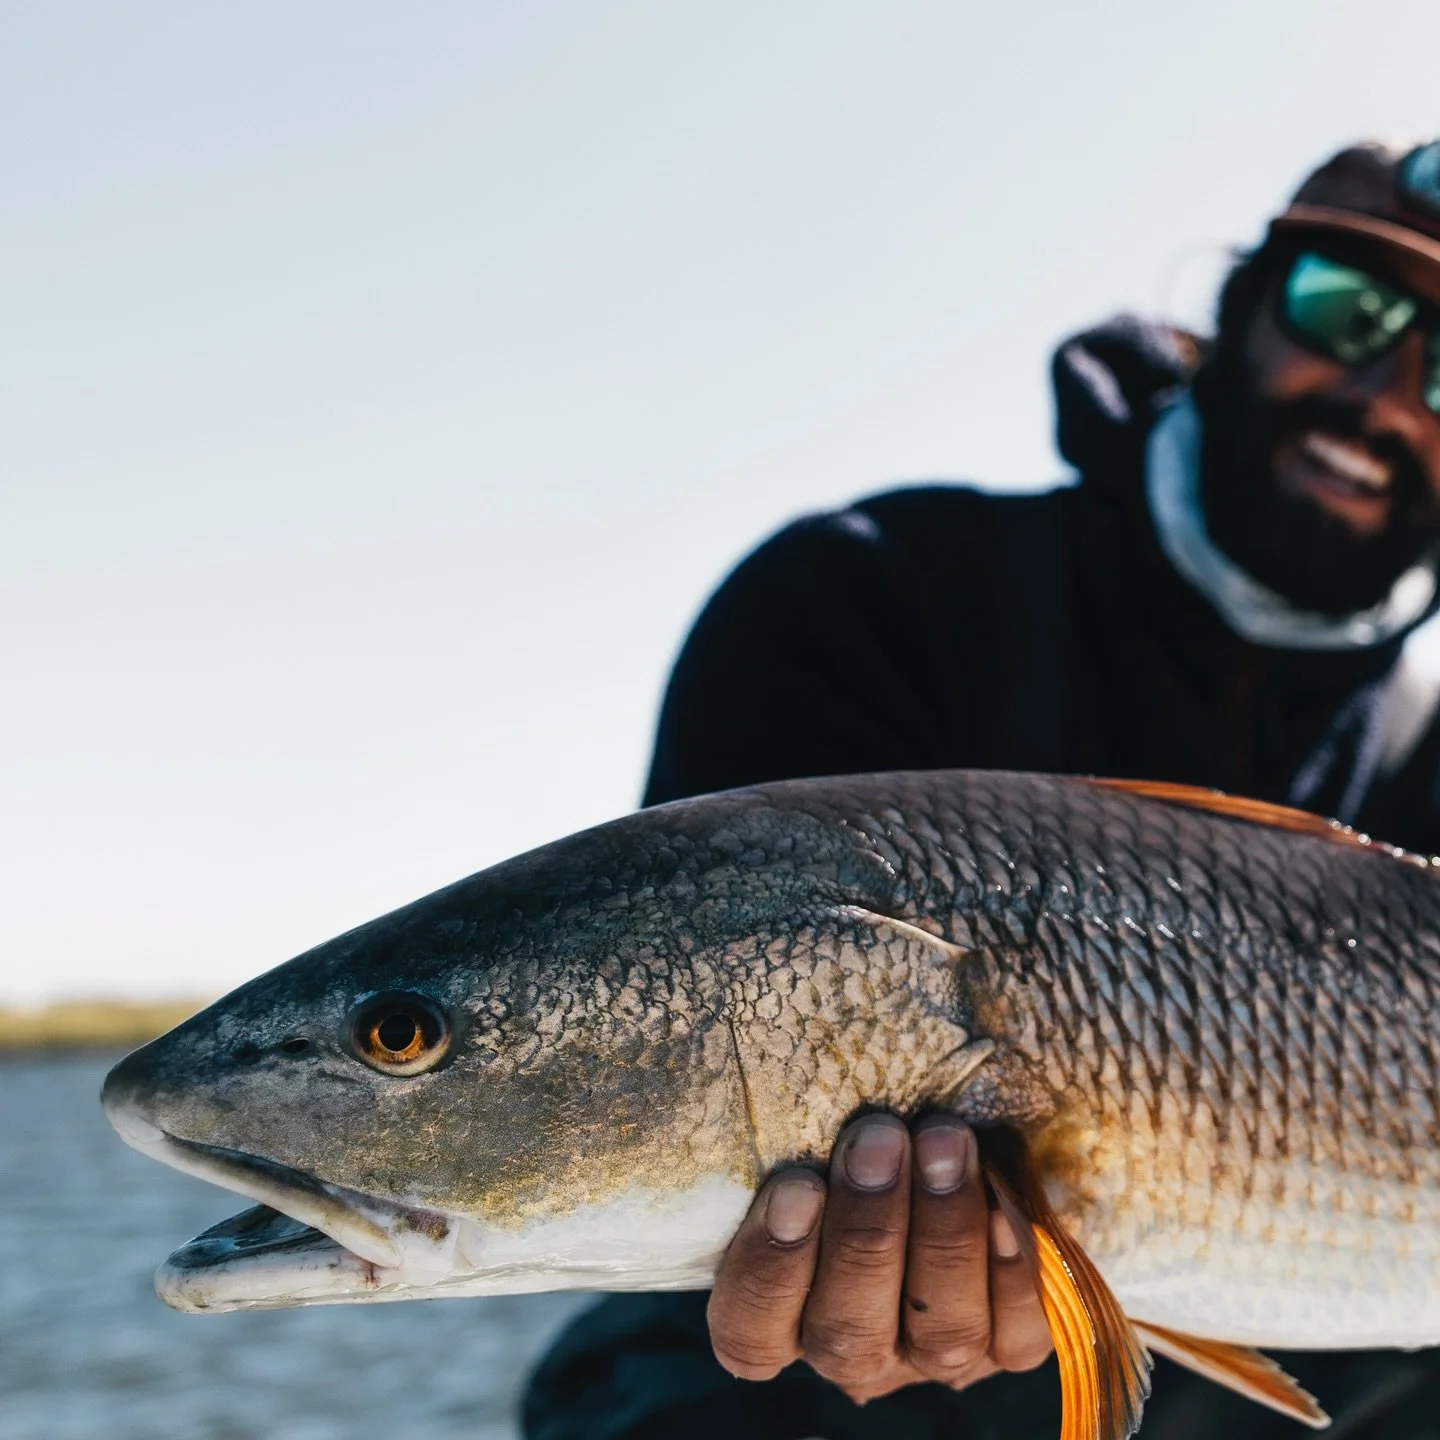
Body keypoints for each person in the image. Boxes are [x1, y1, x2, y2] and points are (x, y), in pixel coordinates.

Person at [524, 139, 1440, 1439]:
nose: (1390, 398)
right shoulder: (862, 600)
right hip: (785, 1371)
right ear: (1239, 301)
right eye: (1346, 308)